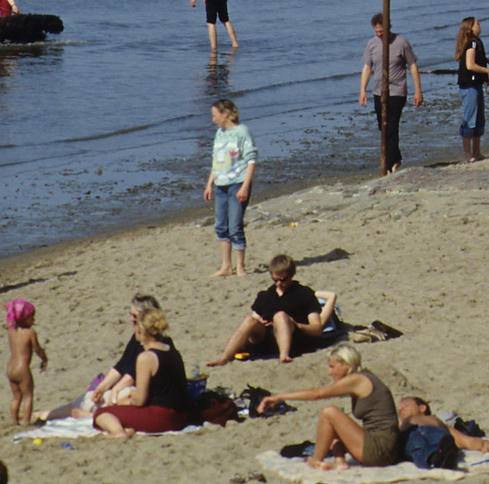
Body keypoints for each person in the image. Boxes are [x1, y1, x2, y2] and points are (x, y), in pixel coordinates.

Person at [257, 345, 404, 470]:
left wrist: (278, 397)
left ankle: (317, 460)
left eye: (332, 367)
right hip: (383, 447)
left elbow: (317, 394)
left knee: (329, 413)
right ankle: (340, 461)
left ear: (347, 365)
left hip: (380, 450)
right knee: (331, 425)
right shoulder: (362, 377)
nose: (329, 372)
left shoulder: (357, 380)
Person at [205, 254, 337, 366]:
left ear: (292, 275)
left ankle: (284, 355)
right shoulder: (265, 296)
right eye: (275, 279)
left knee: (280, 316)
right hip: (266, 338)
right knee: (249, 320)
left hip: (294, 337)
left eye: (283, 279)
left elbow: (317, 328)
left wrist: (296, 324)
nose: (279, 283)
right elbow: (254, 321)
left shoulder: (304, 294)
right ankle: (225, 357)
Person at [93, 306, 190, 438]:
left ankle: (118, 433)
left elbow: (140, 401)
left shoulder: (146, 358)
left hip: (163, 417)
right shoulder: (172, 351)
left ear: (139, 330)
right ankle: (128, 429)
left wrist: (125, 402)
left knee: (101, 413)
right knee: (126, 414)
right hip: (181, 416)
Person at [359, 13, 422, 174]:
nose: (379, 34)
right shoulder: (372, 44)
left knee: (392, 126)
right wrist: (362, 91)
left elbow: (413, 66)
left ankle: (389, 164)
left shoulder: (401, 43)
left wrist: (418, 91)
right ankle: (396, 158)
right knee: (383, 126)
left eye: (382, 31)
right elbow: (367, 68)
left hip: (397, 91)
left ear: (389, 27)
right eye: (376, 32)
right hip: (378, 91)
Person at [203, 98, 258, 278]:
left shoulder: (243, 132)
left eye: (215, 115)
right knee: (221, 225)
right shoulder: (220, 133)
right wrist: (209, 183)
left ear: (225, 114)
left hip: (237, 184)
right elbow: (216, 161)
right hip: (221, 184)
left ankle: (240, 267)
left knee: (235, 226)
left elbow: (251, 160)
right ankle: (226, 266)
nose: (213, 119)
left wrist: (245, 187)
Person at [455, 16, 489, 163]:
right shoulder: (471, 42)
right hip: (469, 85)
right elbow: (470, 65)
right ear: (470, 28)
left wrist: (486, 61)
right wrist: (487, 71)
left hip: (476, 84)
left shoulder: (476, 42)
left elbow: (476, 60)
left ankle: (477, 152)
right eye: (477, 24)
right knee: (470, 118)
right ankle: (468, 154)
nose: (480, 25)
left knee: (479, 119)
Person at [396, 396, 489, 454]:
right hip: (411, 438)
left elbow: (466, 441)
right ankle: (437, 456)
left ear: (422, 408)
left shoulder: (435, 421)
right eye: (399, 407)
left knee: (438, 442)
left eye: (406, 405)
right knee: (417, 447)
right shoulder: (398, 426)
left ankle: (438, 455)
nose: (400, 408)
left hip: (435, 435)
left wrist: (483, 443)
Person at [5, 299, 48, 425]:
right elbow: (37, 349)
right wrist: (44, 358)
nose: (33, 321)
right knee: (28, 396)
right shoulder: (30, 333)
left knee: (16, 397)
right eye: (31, 318)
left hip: (10, 368)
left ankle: (14, 420)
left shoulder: (11, 331)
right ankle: (27, 422)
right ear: (24, 319)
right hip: (22, 369)